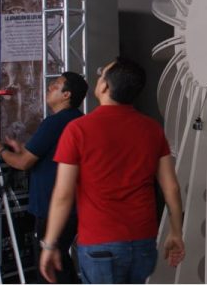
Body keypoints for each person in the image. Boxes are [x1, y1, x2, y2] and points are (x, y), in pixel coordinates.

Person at [39, 57, 185, 284]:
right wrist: (176, 232)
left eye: (101, 75)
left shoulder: (78, 130)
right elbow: (171, 187)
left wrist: (50, 243)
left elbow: (63, 194)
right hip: (143, 242)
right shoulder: (152, 129)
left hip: (100, 243)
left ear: (105, 86)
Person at [0, 71, 88, 283]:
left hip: (51, 206)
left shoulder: (54, 123)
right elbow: (45, 154)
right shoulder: (79, 120)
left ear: (66, 95)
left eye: (56, 85)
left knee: (49, 268)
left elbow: (24, 162)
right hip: (73, 206)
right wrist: (21, 148)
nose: (50, 87)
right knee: (62, 263)